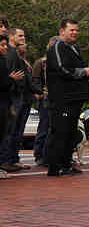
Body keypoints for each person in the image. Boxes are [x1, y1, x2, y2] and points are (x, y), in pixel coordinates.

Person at [46, 19, 89, 176]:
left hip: (75, 98)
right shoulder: (57, 47)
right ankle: (55, 167)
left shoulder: (74, 47)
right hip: (62, 98)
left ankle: (66, 163)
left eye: (76, 30)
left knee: (70, 133)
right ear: (62, 31)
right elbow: (62, 69)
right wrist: (83, 72)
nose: (75, 33)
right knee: (60, 132)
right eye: (71, 30)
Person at [0, 28, 41, 172]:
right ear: (11, 37)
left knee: (17, 131)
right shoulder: (10, 54)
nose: (23, 38)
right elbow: (11, 77)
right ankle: (6, 160)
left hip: (21, 98)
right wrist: (12, 99)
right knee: (10, 131)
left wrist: (39, 91)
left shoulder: (15, 54)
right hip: (14, 99)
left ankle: (12, 159)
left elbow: (25, 78)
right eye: (20, 36)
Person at [31, 36, 59, 167]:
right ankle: (39, 155)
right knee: (44, 127)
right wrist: (40, 93)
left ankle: (52, 154)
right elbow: (35, 80)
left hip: (58, 98)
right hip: (45, 99)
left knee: (55, 128)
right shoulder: (41, 62)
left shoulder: (60, 62)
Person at [0, 34, 24, 179]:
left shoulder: (3, 60)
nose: (4, 48)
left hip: (4, 101)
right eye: (2, 45)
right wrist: (11, 79)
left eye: (5, 45)